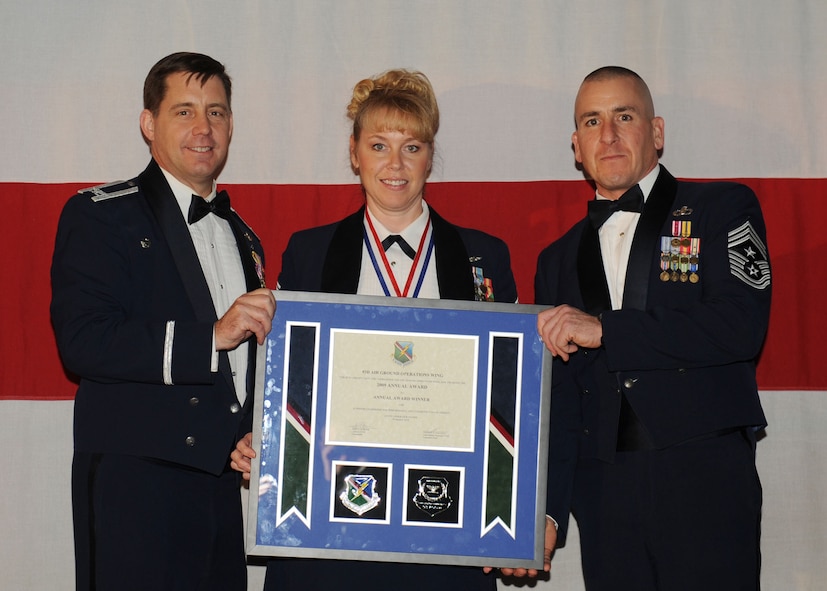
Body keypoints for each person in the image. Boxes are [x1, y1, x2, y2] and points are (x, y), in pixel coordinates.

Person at [230, 69, 517, 590]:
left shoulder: (484, 256)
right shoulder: (309, 252)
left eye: (412, 147)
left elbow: (508, 395)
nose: (395, 164)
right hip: (329, 515)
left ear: (430, 156)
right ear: (354, 153)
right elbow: (283, 374)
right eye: (379, 145)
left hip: (444, 517)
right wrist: (259, 434)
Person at [528, 66, 771, 589]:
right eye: (592, 121)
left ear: (656, 132)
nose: (608, 135)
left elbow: (739, 325)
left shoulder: (721, 208)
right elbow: (560, 399)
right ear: (576, 146)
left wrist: (608, 330)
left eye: (624, 116)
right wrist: (547, 510)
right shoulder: (556, 259)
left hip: (704, 481)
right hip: (604, 498)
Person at [50, 52, 276, 591]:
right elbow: (83, 341)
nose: (204, 128)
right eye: (184, 111)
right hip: (137, 485)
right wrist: (210, 336)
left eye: (216, 112)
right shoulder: (102, 214)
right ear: (149, 124)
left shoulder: (244, 236)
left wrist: (251, 432)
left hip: (221, 488)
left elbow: (242, 371)